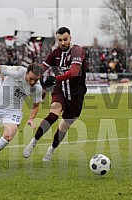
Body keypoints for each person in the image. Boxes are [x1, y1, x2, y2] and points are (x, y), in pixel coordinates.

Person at [23, 27, 87, 161]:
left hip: (76, 95)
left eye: (65, 39)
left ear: (70, 38)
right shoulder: (55, 53)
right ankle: (33, 142)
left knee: (63, 127)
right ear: (57, 40)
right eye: (60, 40)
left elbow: (75, 71)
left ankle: (51, 150)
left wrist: (56, 78)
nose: (63, 43)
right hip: (60, 91)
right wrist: (31, 75)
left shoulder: (77, 51)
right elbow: (42, 67)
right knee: (53, 115)